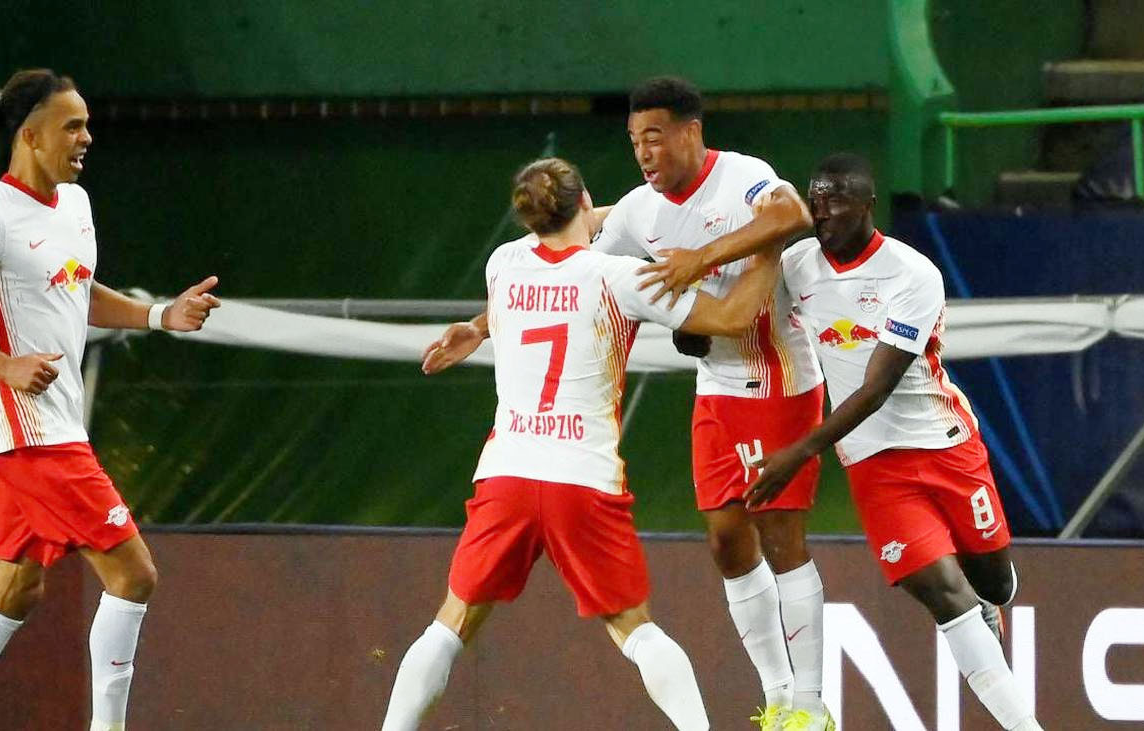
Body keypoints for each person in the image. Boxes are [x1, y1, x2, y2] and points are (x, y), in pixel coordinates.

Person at [425, 77, 832, 730]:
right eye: (634, 139)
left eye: (655, 136)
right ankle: (778, 694)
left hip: (780, 379)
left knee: (781, 538)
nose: (643, 151)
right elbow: (565, 267)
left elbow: (792, 216)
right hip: (717, 384)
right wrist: (481, 325)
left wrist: (702, 257)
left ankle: (810, 706)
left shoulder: (742, 177)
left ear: (691, 131)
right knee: (727, 541)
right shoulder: (640, 211)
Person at [0, 69, 220, 731]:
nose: (86, 137)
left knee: (16, 587)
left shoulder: (74, 204)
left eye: (87, 125)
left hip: (53, 421)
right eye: (72, 126)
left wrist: (160, 315)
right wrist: (5, 364)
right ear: (30, 135)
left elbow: (78, 289)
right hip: (28, 429)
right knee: (134, 574)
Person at [744, 153, 1041, 731]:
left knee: (993, 583)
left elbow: (876, 389)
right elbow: (748, 318)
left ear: (867, 205)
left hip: (945, 444)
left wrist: (798, 452)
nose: (821, 213)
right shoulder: (797, 265)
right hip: (873, 463)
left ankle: (991, 597)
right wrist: (693, 328)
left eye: (835, 201)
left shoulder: (912, 274)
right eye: (815, 200)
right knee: (946, 596)